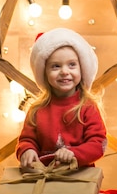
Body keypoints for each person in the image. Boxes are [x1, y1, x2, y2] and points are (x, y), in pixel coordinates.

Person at [16, 28, 107, 169]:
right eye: (56, 66)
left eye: (72, 65)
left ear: (81, 69)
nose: (65, 72)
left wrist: (74, 153)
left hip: (78, 177)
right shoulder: (37, 110)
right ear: (44, 72)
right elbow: (27, 139)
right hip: (43, 177)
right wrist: (27, 150)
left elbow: (98, 144)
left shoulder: (87, 107)